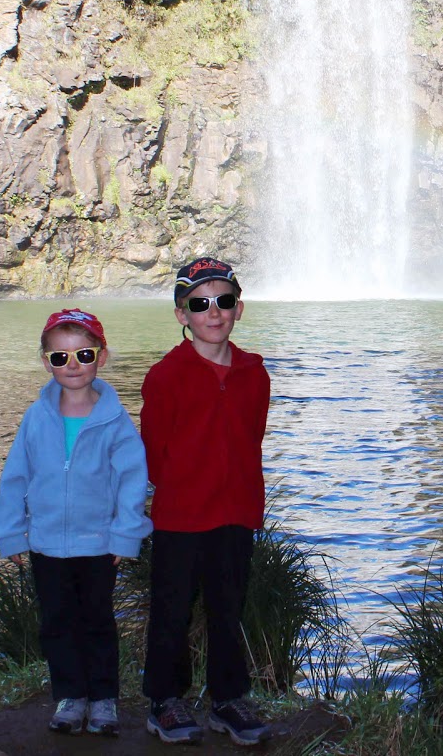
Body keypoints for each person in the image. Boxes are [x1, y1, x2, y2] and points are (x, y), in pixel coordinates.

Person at [0, 307, 152, 737]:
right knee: (57, 623)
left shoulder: (115, 419)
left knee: (97, 622)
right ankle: (70, 696)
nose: (73, 365)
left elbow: (132, 480)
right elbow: (15, 477)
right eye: (60, 357)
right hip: (46, 544)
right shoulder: (36, 417)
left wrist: (125, 535)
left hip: (99, 544)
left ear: (102, 357)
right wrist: (11, 533)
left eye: (84, 354)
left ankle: (103, 699)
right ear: (46, 362)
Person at [139, 257, 271, 746]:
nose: (213, 312)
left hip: (235, 513)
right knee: (171, 609)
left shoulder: (255, 374)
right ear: (182, 315)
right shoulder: (165, 376)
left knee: (228, 608)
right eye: (200, 304)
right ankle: (164, 700)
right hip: (181, 515)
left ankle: (228, 699)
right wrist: (182, 487)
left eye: (224, 301)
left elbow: (252, 437)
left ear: (239, 308)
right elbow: (154, 450)